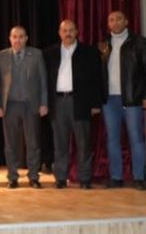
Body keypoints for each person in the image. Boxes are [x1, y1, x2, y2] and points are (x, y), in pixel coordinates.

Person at [43, 20, 102, 189]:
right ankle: (61, 178)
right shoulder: (49, 53)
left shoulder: (89, 52)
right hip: (57, 102)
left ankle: (84, 178)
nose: (67, 33)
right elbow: (43, 80)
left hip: (81, 102)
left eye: (71, 30)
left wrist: (95, 103)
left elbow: (97, 79)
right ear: (59, 33)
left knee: (83, 143)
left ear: (77, 32)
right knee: (60, 143)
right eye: (64, 30)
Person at [0, 26, 48, 189]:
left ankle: (34, 176)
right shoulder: (0, 56)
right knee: (10, 144)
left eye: (21, 37)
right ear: (10, 39)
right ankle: (12, 176)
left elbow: (43, 80)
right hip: (9, 105)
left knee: (33, 143)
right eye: (14, 37)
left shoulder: (36, 54)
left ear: (26, 38)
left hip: (31, 105)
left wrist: (44, 103)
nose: (17, 40)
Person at [99, 11, 146, 190]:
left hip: (132, 98)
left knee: (137, 139)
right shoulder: (103, 45)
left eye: (119, 19)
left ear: (126, 21)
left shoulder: (139, 43)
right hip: (109, 100)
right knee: (112, 139)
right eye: (111, 20)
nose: (115, 22)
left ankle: (139, 177)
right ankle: (116, 177)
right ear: (108, 24)